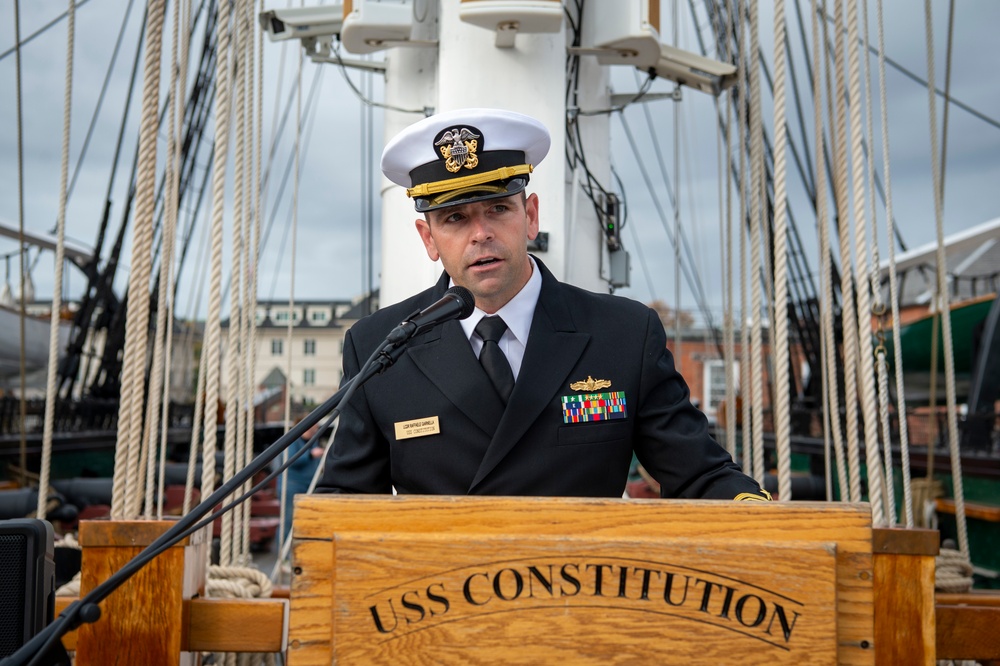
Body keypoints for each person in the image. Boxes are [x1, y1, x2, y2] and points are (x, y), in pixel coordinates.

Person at [316, 108, 769, 501]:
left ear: (529, 216)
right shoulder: (380, 348)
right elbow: (344, 503)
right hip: (438, 597)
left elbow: (700, 474)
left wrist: (763, 518)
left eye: (497, 209)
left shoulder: (624, 335)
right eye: (455, 218)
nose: (481, 234)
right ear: (428, 238)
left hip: (580, 592)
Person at [277, 422, 323, 541]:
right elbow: (290, 460)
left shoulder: (313, 441)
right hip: (292, 486)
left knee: (305, 520)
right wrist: (310, 455)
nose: (316, 428)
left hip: (307, 486)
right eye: (314, 426)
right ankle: (284, 554)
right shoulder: (293, 440)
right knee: (289, 520)